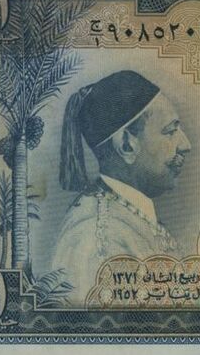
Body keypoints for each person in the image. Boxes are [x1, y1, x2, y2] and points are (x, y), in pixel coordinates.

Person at [49, 70, 192, 304]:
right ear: (126, 145)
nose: (186, 145)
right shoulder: (95, 239)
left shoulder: (127, 215)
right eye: (170, 131)